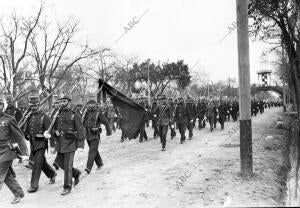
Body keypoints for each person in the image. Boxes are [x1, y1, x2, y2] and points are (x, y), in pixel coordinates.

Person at [47, 94, 85, 195]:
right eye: (61, 102)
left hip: (70, 143)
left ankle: (67, 187)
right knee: (60, 163)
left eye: (64, 101)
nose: (62, 103)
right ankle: (76, 173)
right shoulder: (58, 114)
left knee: (67, 166)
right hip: (60, 144)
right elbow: (55, 127)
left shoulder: (74, 114)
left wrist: (81, 145)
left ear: (69, 102)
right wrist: (54, 133)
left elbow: (81, 130)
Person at [23, 93, 57, 193]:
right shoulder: (29, 116)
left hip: (42, 144)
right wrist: (26, 135)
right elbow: (27, 129)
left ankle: (34, 185)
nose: (33, 107)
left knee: (37, 164)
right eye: (31, 105)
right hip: (33, 143)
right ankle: (52, 174)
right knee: (42, 163)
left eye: (35, 105)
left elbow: (50, 131)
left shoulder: (44, 116)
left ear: (39, 105)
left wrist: (52, 145)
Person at [0, 94, 29, 204]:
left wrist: (25, 153)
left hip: (7, 152)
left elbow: (19, 137)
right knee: (7, 176)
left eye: (0, 105)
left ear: (3, 106)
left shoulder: (9, 120)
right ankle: (19, 193)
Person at [82, 97, 111, 174]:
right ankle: (100, 163)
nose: (90, 105)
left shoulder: (98, 112)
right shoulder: (85, 113)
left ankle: (88, 168)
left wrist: (108, 133)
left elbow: (106, 122)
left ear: (95, 105)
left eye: (92, 104)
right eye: (89, 104)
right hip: (87, 135)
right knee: (94, 150)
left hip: (95, 135)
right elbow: (82, 123)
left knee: (92, 151)